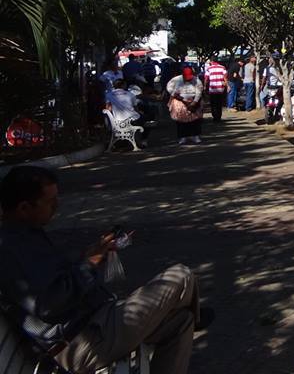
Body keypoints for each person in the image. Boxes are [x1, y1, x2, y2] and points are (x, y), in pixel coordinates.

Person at [0, 166, 204, 374]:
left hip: (97, 323)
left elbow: (57, 280)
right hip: (83, 341)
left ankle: (189, 311)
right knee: (181, 275)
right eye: (50, 202)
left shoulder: (25, 235)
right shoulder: (10, 249)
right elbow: (49, 305)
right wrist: (88, 265)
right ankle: (192, 309)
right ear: (24, 208)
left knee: (181, 322)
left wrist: (90, 255)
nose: (57, 206)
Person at [166, 67, 203, 145]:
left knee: (195, 120)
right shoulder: (175, 80)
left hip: (193, 101)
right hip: (179, 101)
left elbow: (199, 92)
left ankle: (195, 136)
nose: (188, 80)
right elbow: (169, 88)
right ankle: (182, 137)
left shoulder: (197, 81)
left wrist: (194, 103)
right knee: (180, 120)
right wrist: (178, 97)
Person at [203, 58, 228, 122]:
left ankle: (215, 116)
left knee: (213, 103)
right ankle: (219, 117)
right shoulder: (223, 67)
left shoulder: (209, 68)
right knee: (219, 103)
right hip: (220, 89)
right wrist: (227, 86)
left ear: (212, 61)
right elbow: (225, 77)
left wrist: (205, 86)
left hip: (212, 89)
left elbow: (206, 78)